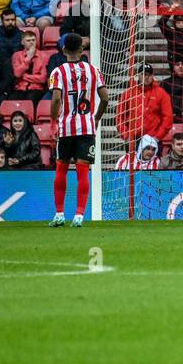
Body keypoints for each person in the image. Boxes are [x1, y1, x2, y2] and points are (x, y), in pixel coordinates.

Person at [47, 33, 109, 228]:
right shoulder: (94, 71)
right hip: (87, 127)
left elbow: (56, 99)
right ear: (82, 50)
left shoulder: (58, 72)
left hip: (66, 127)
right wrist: (96, 117)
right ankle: (80, 215)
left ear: (64, 50)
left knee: (61, 168)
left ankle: (59, 214)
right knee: (83, 172)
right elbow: (105, 98)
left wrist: (53, 121)